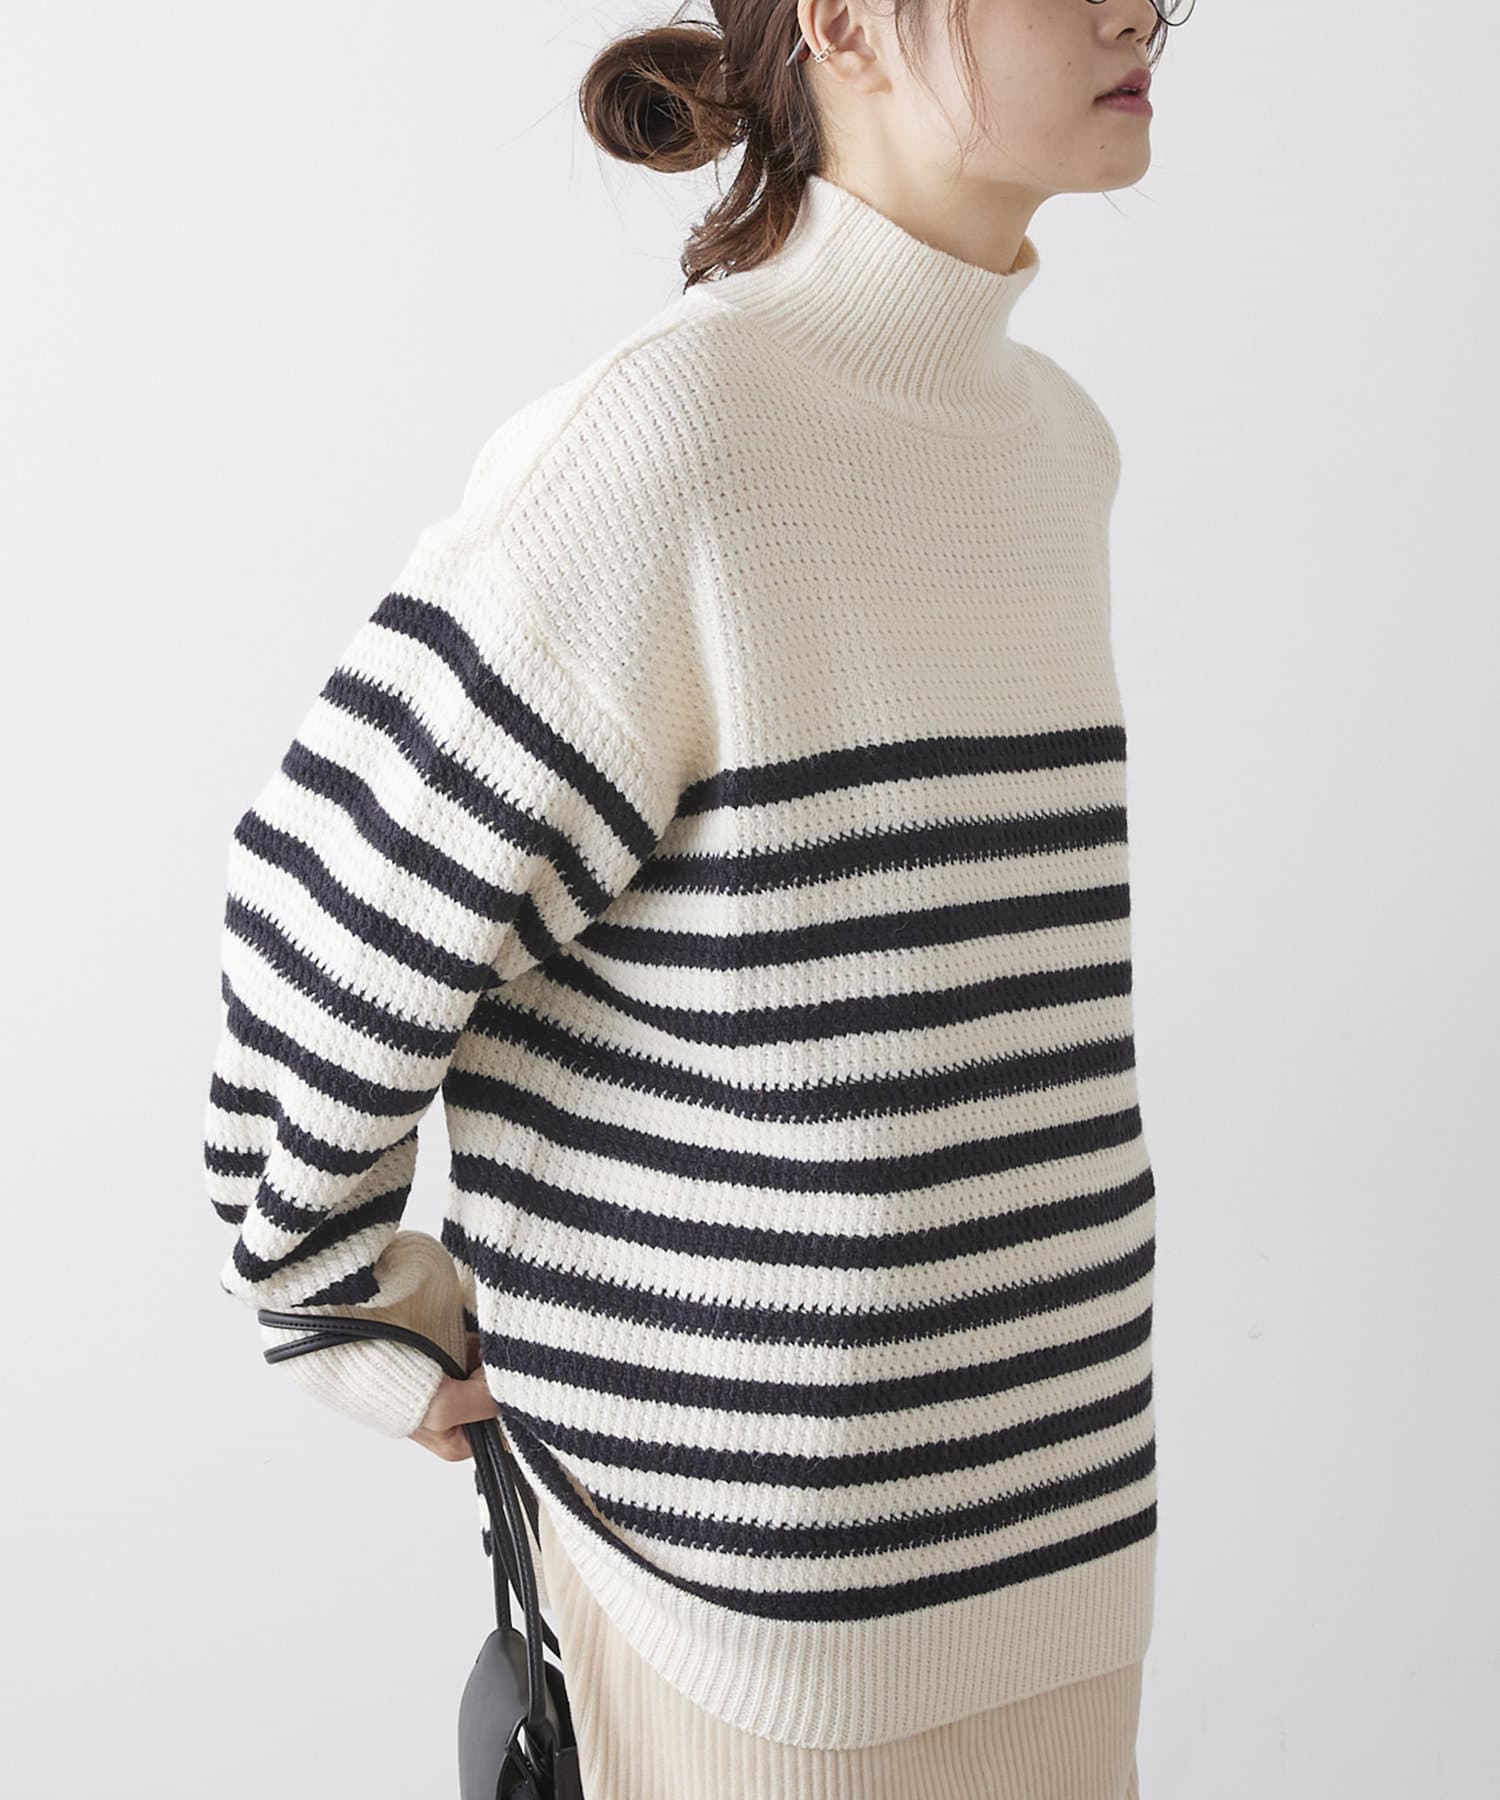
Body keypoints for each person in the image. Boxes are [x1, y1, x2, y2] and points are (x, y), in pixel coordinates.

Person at [201, 2, 1186, 1794]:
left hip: (1058, 1542)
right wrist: (333, 1291)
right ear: (847, 25)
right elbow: (326, 898)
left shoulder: (1055, 443)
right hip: (747, 1594)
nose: (1141, 12)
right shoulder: (672, 442)